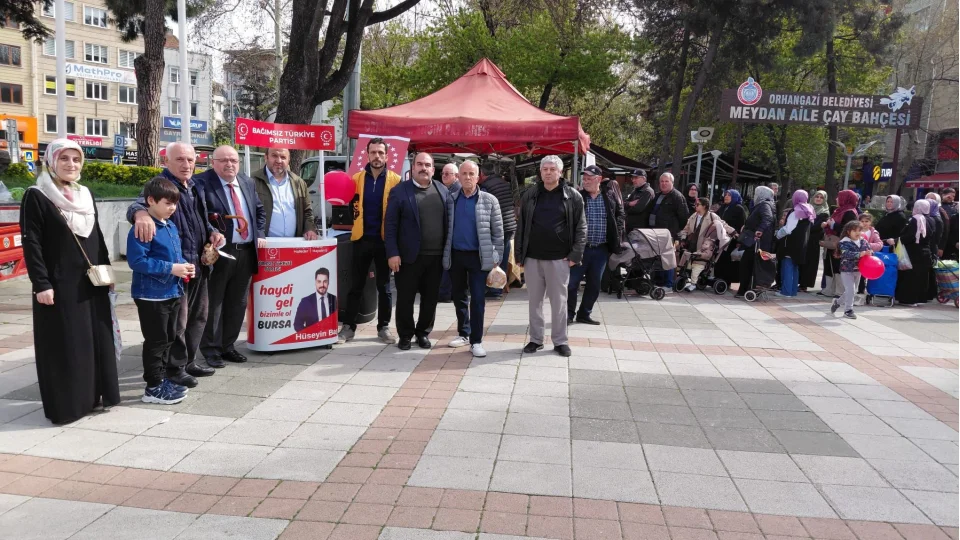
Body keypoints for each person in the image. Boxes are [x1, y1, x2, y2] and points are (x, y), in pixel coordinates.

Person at [20, 139, 120, 424]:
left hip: (91, 281)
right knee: (67, 344)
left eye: (76, 160)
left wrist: (108, 274)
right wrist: (41, 284)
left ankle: (93, 397)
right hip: (59, 284)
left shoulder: (84, 194)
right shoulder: (37, 195)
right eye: (64, 159)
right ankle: (68, 406)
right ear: (51, 162)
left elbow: (98, 237)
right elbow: (32, 243)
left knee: (93, 340)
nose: (71, 165)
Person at [128, 142, 221, 383]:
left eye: (190, 160)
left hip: (198, 264)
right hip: (175, 270)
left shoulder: (195, 186)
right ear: (166, 161)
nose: (187, 164)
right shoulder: (161, 185)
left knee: (198, 317)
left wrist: (212, 231)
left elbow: (201, 216)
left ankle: (189, 361)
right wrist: (139, 214)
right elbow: (139, 204)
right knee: (179, 322)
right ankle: (175, 368)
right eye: (180, 159)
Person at [196, 145, 266, 367]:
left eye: (234, 160)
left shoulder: (246, 182)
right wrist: (211, 231)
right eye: (224, 160)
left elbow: (259, 211)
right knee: (214, 303)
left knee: (237, 303)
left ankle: (228, 346)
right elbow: (200, 215)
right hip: (221, 254)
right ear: (213, 162)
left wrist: (260, 234)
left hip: (245, 252)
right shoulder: (202, 183)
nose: (229, 164)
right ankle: (211, 350)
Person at [127, 178, 195, 405]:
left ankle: (163, 379)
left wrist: (184, 266)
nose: (172, 208)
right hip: (151, 295)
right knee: (156, 341)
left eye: (175, 203)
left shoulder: (170, 225)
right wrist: (171, 268)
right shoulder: (144, 227)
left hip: (172, 291)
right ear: (151, 201)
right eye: (168, 203)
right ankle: (153, 386)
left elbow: (174, 256)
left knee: (168, 339)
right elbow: (138, 261)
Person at [516, 155, 586, 357]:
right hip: (533, 258)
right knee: (534, 302)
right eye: (544, 169)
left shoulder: (573, 196)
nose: (548, 172)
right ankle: (536, 339)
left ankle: (560, 341)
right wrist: (520, 254)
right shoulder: (530, 195)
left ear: (560, 172)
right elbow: (522, 226)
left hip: (560, 258)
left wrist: (575, 254)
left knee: (559, 302)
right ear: (540, 172)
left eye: (552, 169)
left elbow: (581, 227)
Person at [385, 153, 450, 350]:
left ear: (433, 169)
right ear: (413, 168)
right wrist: (392, 253)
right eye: (420, 164)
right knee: (405, 298)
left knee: (430, 299)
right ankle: (405, 335)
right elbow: (390, 225)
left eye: (427, 165)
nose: (424, 168)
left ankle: (423, 333)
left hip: (436, 257)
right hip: (407, 258)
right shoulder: (400, 191)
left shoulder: (442, 190)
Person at [339, 138, 400, 344]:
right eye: (373, 152)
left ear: (387, 156)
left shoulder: (396, 180)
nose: (377, 156)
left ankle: (383, 327)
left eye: (380, 153)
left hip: (385, 242)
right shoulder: (356, 178)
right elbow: (350, 206)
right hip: (361, 239)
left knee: (384, 287)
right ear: (367, 154)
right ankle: (348, 327)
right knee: (356, 285)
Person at [444, 161, 504, 357]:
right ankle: (464, 333)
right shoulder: (451, 200)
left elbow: (498, 233)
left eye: (472, 174)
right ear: (458, 177)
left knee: (478, 299)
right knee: (459, 296)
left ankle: (476, 341)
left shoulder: (490, 200)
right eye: (464, 174)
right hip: (456, 256)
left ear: (478, 177)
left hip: (479, 257)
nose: (468, 177)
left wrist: (496, 256)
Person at [568, 165, 624, 323]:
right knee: (572, 283)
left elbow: (620, 214)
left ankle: (584, 314)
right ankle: (568, 314)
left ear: (599, 179)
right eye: (584, 178)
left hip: (601, 249)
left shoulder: (610, 196)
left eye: (589, 178)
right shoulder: (578, 196)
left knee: (594, 285)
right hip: (580, 249)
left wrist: (617, 232)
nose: (585, 181)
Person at [252, 148, 319, 240]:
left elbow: (307, 211)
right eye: (274, 156)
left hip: (293, 244)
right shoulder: (253, 181)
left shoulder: (299, 183)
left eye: (283, 157)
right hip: (265, 244)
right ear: (266, 157)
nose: (279, 161)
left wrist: (309, 229)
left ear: (288, 160)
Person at [479, 160, 517, 300]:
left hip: (496, 227)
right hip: (509, 225)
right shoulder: (504, 183)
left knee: (493, 258)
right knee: (503, 257)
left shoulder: (486, 187)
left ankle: (494, 289)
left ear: (482, 174)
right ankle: (500, 287)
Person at [678, 197, 733, 292]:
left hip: (704, 246)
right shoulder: (693, 216)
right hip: (692, 244)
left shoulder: (712, 216)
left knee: (698, 265)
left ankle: (693, 283)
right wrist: (683, 237)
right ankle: (688, 279)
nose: (696, 206)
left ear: (704, 206)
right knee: (687, 264)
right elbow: (686, 229)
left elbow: (723, 224)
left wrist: (733, 232)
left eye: (698, 204)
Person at [648, 172, 690, 291]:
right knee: (658, 258)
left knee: (668, 259)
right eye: (662, 181)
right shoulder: (658, 195)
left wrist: (675, 231)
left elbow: (684, 217)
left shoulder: (677, 197)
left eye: (667, 181)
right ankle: (658, 282)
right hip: (655, 233)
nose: (664, 184)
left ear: (672, 182)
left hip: (669, 234)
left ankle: (668, 284)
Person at [735, 185, 775, 298]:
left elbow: (768, 218)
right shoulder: (762, 205)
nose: (755, 195)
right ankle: (746, 288)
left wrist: (760, 230)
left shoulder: (764, 205)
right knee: (749, 265)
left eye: (757, 193)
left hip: (756, 242)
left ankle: (745, 289)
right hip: (755, 241)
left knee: (747, 265)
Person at [819, 190, 859, 298]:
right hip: (832, 242)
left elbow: (850, 230)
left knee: (837, 267)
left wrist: (833, 225)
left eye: (839, 197)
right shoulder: (839, 210)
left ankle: (838, 291)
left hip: (841, 244)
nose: (837, 199)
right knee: (829, 266)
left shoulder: (849, 212)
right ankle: (828, 289)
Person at [895, 199, 935, 306]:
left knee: (910, 276)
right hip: (925, 252)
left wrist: (896, 240)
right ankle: (918, 299)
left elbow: (910, 236)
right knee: (920, 277)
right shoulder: (931, 220)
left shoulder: (915, 219)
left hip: (913, 252)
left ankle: (908, 299)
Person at [774, 190, 813, 297]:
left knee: (788, 266)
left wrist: (778, 234)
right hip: (801, 243)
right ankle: (792, 290)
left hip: (790, 243)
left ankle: (786, 291)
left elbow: (788, 229)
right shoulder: (809, 209)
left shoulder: (795, 211)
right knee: (795, 267)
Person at [832, 220, 870, 319]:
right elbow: (845, 254)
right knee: (850, 290)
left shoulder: (863, 241)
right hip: (846, 270)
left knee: (852, 291)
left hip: (858, 270)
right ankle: (848, 310)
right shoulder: (844, 242)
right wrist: (859, 254)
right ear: (848, 232)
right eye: (854, 230)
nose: (857, 233)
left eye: (859, 230)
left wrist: (870, 253)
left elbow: (868, 250)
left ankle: (837, 302)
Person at [714, 189, 746, 286]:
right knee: (719, 259)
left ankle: (726, 281)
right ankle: (718, 279)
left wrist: (739, 240)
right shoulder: (723, 207)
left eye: (729, 195)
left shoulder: (739, 209)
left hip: (732, 239)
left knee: (727, 260)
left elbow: (742, 225)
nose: (726, 197)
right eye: (725, 195)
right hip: (721, 238)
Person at [799, 190, 830, 292]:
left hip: (813, 239)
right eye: (817, 196)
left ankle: (805, 284)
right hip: (804, 238)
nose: (818, 199)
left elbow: (816, 227)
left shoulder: (824, 212)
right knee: (801, 260)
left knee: (810, 262)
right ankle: (798, 281)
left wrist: (805, 226)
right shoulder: (807, 207)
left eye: (821, 197)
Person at [438, 163, 461, 303]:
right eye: (443, 173)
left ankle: (445, 293)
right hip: (450, 234)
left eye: (448, 174)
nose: (444, 176)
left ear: (456, 176)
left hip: (452, 235)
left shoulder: (455, 191)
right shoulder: (447, 189)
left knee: (448, 265)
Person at [942, 188, 959, 260]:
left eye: (953, 196)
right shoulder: (938, 206)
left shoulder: (955, 206)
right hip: (943, 237)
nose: (951, 198)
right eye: (949, 196)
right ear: (943, 195)